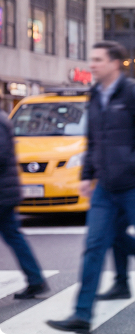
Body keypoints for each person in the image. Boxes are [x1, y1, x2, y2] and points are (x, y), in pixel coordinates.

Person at [47, 41, 135, 333]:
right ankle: (82, 314)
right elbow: (93, 140)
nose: (92, 64)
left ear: (115, 63)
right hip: (106, 187)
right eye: (91, 59)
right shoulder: (94, 95)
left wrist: (133, 164)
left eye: (98, 60)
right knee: (94, 246)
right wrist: (86, 175)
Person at [0, 111, 49, 299]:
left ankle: (36, 279)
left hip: (3, 191)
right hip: (6, 190)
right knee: (14, 236)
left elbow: (2, 154)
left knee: (14, 236)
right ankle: (35, 279)